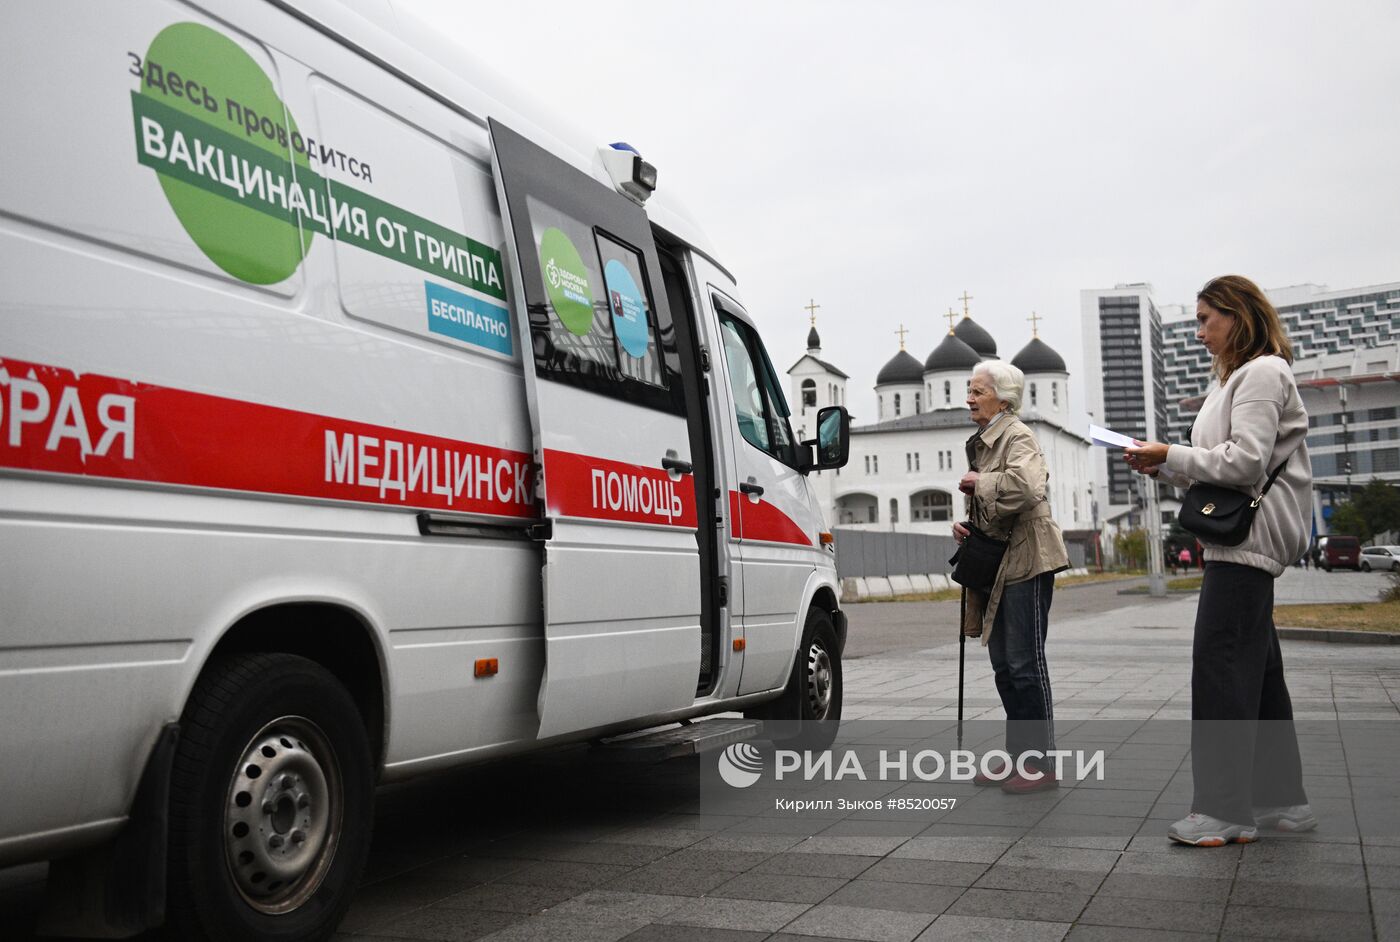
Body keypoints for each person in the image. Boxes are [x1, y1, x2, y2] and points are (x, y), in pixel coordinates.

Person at [1125, 274, 1314, 846]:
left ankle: (1225, 811)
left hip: (1247, 540)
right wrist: (1162, 464)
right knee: (1257, 674)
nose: (1200, 332)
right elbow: (1217, 461)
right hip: (1242, 539)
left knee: (1221, 666)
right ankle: (1283, 800)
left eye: (1208, 319)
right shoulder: (1234, 380)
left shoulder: (1260, 372)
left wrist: (1171, 452)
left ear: (1238, 315)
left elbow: (1244, 462)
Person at [954, 360, 1070, 794]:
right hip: (1000, 559)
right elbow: (995, 497)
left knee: (1025, 664)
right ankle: (1019, 758)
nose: (969, 397)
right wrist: (968, 526)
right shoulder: (985, 441)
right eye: (970, 389)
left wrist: (980, 484)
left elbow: (1026, 488)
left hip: (1027, 559)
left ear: (1003, 399)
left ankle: (1041, 764)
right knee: (1004, 665)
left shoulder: (1019, 435)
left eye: (978, 391)